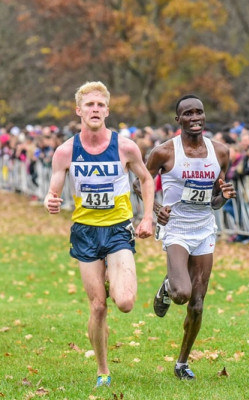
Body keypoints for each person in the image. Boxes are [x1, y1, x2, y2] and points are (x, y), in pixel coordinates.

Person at [44, 81, 154, 388]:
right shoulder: (66, 151)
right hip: (85, 233)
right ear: (79, 110)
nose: (95, 109)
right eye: (89, 105)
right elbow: (53, 191)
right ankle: (103, 370)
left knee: (126, 303)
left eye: (100, 105)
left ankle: (117, 275)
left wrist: (147, 218)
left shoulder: (126, 147)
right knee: (98, 306)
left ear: (107, 110)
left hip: (118, 229)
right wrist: (50, 200)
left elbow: (146, 180)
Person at [133, 94, 236, 380]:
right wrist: (155, 210)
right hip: (176, 227)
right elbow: (139, 184)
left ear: (205, 116)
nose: (194, 118)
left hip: (204, 229)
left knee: (198, 304)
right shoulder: (164, 152)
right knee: (181, 294)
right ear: (178, 120)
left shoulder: (221, 152)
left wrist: (223, 198)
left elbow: (214, 201)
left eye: (199, 112)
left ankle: (181, 363)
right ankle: (168, 287)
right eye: (187, 114)